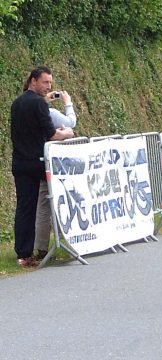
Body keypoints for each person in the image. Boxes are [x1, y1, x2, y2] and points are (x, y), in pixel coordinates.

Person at [10, 66, 74, 267]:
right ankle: (71, 242)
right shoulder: (39, 104)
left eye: (50, 83)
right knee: (63, 196)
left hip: (20, 162)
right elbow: (52, 134)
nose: (48, 87)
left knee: (25, 209)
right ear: (33, 80)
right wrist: (68, 133)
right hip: (39, 162)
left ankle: (23, 254)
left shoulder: (17, 103)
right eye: (45, 82)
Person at [34, 88, 77, 260]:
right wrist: (67, 102)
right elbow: (71, 122)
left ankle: (41, 247)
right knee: (65, 200)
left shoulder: (28, 112)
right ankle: (71, 241)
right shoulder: (50, 112)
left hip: (37, 160)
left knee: (43, 205)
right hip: (56, 164)